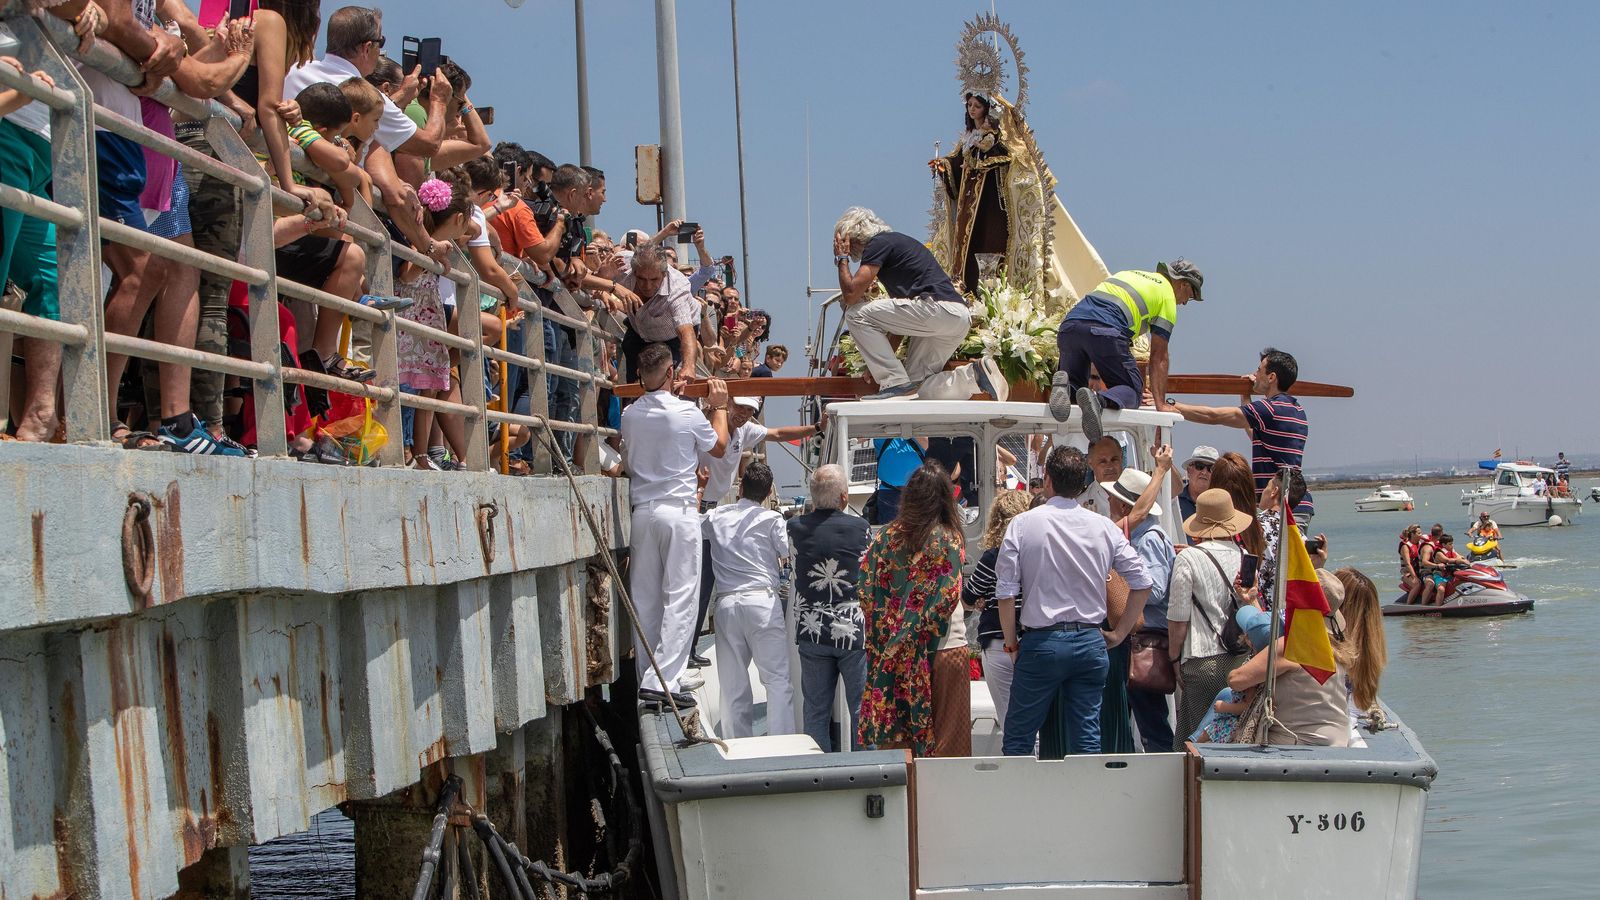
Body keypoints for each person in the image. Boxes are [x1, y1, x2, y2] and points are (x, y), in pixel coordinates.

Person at [995, 447, 1151, 757]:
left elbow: (1006, 593)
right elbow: (1142, 581)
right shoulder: (1103, 526)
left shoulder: (1023, 525)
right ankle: (1086, 803)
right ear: (1083, 484)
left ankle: (1018, 804)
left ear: (1048, 480)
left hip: (1043, 641)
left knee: (1018, 738)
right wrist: (1119, 634)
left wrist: (1012, 645)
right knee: (1087, 739)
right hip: (1090, 640)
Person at [620, 345, 730, 706]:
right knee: (681, 598)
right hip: (678, 512)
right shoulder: (686, 413)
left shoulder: (630, 415)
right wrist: (719, 406)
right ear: (670, 374)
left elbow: (657, 409)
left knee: (646, 600)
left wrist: (673, 392)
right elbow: (720, 446)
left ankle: (649, 678)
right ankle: (663, 679)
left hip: (642, 512)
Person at [690, 397, 824, 666]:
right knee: (697, 584)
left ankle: (690, 647)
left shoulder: (747, 430)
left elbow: (777, 434)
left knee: (706, 584)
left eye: (750, 410)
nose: (743, 413)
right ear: (727, 403)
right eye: (740, 407)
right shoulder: (707, 424)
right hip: (697, 503)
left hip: (715, 506)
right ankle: (687, 649)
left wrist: (816, 429)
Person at [832, 207, 1005, 402]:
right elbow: (897, 327)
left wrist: (842, 259)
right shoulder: (896, 245)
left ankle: (894, 382)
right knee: (916, 386)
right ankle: (974, 375)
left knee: (855, 314)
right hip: (956, 317)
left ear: (853, 237)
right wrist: (878, 364)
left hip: (936, 310)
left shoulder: (878, 243)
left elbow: (851, 295)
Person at [857, 462, 965, 756]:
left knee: (898, 747)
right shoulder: (948, 538)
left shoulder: (884, 539)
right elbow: (947, 597)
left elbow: (866, 592)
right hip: (943, 649)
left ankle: (906, 803)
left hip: (892, 659)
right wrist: (915, 632)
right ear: (945, 497)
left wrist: (894, 637)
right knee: (948, 747)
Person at [1048, 260, 1204, 436]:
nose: (1184, 303)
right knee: (1132, 390)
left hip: (1069, 327)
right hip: (1105, 330)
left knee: (1076, 392)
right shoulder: (1167, 296)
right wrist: (1161, 405)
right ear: (1183, 284)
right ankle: (1098, 401)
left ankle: (1067, 387)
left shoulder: (1130, 274)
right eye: (1189, 296)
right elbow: (1159, 356)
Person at [702, 462, 794, 738]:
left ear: (740, 487)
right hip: (762, 603)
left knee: (732, 683)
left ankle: (737, 743)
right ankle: (782, 742)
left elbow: (691, 527)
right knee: (777, 680)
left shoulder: (715, 517)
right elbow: (787, 551)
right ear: (767, 495)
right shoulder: (772, 520)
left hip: (727, 604)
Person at [1171, 348, 1313, 522]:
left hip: (1281, 507)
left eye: (1259, 370)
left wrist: (1173, 405)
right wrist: (1245, 397)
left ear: (1271, 377)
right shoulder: (1297, 410)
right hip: (1297, 503)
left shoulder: (1270, 409)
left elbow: (1214, 416)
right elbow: (1258, 437)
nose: (1254, 374)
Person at [789, 464, 872, 752]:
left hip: (811, 630)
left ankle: (818, 776)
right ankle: (867, 771)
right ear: (844, 498)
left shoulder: (795, 529)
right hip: (851, 630)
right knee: (861, 708)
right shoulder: (860, 528)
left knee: (815, 710)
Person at [1167, 488, 1255, 744]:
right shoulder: (1245, 557)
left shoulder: (1188, 558)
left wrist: (1174, 659)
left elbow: (1178, 619)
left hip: (1202, 660)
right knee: (1231, 739)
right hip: (1241, 661)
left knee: (1192, 743)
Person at [1227, 570, 1352, 747]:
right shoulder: (1336, 647)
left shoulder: (1294, 646)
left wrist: (1252, 655)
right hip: (1338, 740)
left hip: (1299, 742)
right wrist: (1253, 601)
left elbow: (1236, 680)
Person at [1103, 469, 1176, 753]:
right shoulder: (1144, 538)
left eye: (1112, 497)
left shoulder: (1148, 539)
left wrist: (1121, 583)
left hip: (1142, 639)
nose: (1108, 500)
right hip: (1137, 637)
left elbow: (1155, 590)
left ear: (1123, 505)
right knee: (1141, 715)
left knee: (1149, 719)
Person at [964, 489, 1033, 746]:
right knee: (1034, 717)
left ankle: (1017, 776)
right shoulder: (1037, 552)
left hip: (999, 642)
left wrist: (984, 601)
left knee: (1009, 720)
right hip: (1035, 640)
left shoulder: (993, 556)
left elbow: (968, 598)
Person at [616, 240, 699, 384]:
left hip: (673, 336)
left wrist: (689, 367)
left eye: (654, 279)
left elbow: (685, 331)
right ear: (633, 270)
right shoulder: (620, 264)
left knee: (670, 381)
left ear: (664, 273)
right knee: (635, 384)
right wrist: (607, 289)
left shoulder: (677, 288)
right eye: (641, 279)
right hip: (638, 331)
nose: (647, 286)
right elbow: (589, 277)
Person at [1175, 445, 1219, 534]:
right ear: (1189, 470)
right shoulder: (1174, 501)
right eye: (1199, 466)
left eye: (1211, 468)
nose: (1204, 472)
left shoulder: (1221, 505)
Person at [1398, 525, 1425, 605]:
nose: (1421, 535)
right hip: (1407, 573)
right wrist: (1414, 577)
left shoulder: (1420, 544)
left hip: (1419, 571)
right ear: (1412, 534)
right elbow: (1407, 563)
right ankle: (1408, 605)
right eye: (1419, 533)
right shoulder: (1405, 546)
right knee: (1417, 584)